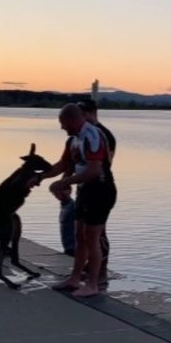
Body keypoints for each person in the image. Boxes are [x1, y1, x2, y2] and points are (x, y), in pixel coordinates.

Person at [40, 103, 117, 297]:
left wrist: (64, 182)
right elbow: (63, 164)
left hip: (101, 190)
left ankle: (93, 283)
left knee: (92, 237)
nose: (61, 128)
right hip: (84, 190)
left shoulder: (93, 136)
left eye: (63, 123)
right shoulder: (73, 140)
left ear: (74, 120)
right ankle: (75, 278)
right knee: (79, 236)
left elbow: (93, 170)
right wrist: (40, 177)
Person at [76, 99, 116, 287]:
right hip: (83, 186)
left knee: (98, 233)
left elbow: (103, 165)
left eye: (83, 114)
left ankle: (101, 271)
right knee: (82, 232)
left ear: (91, 113)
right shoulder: (80, 134)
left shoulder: (103, 134)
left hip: (98, 188)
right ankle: (88, 267)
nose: (80, 118)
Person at [54, 183, 76, 256]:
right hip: (68, 245)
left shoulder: (73, 206)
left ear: (69, 191)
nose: (58, 195)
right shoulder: (64, 205)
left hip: (74, 246)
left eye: (61, 191)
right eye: (55, 193)